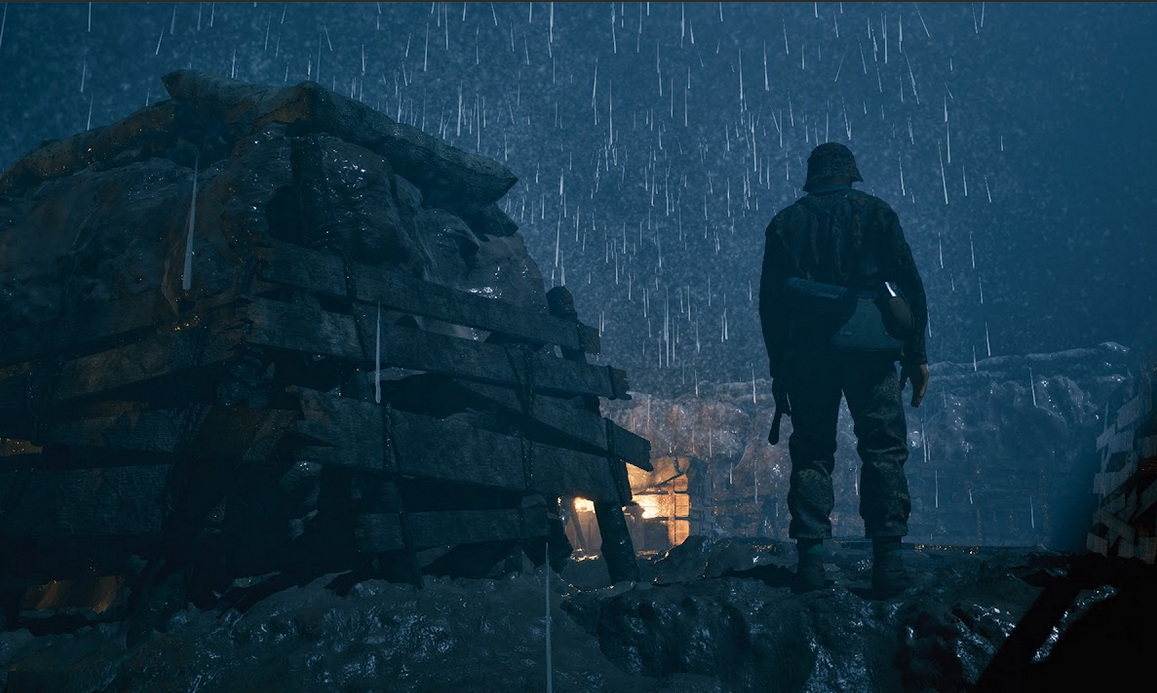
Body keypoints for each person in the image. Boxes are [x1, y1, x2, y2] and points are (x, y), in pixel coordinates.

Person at [759, 142, 930, 596]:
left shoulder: (784, 224)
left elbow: (771, 307)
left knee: (812, 451)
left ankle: (811, 562)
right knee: (883, 448)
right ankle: (888, 561)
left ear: (812, 177)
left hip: (807, 355)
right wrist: (916, 354)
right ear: (850, 174)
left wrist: (779, 368)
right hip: (869, 351)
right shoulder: (875, 214)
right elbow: (910, 285)